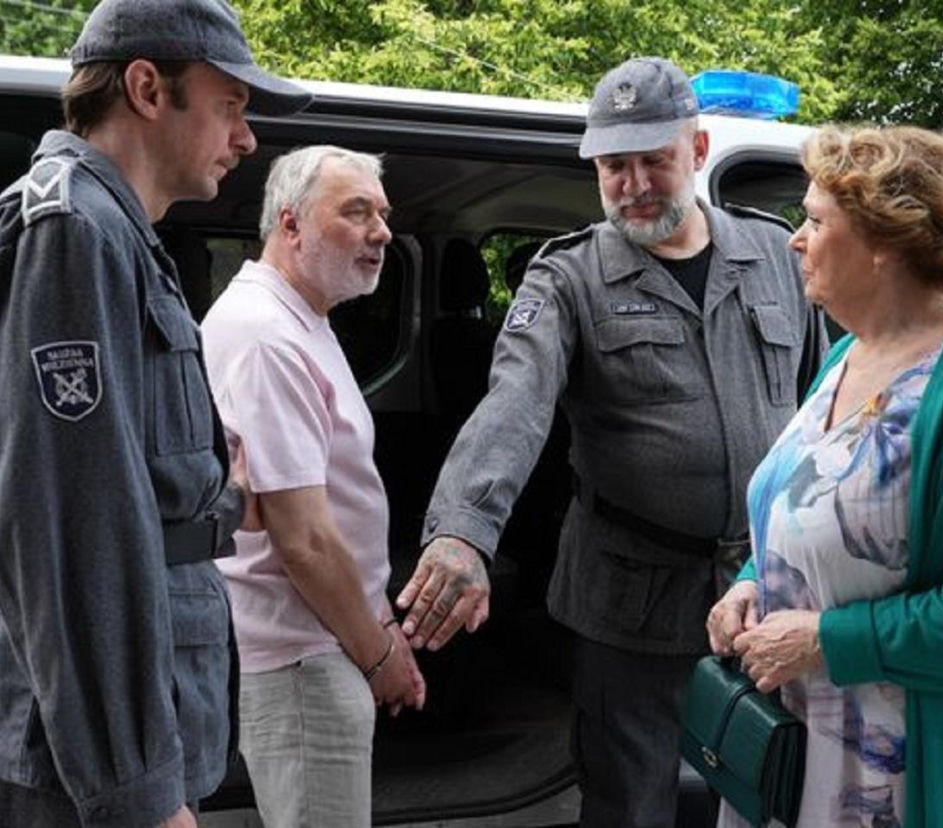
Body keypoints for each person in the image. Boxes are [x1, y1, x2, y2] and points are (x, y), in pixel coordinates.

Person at [397, 56, 826, 827]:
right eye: (612, 166)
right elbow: (514, 406)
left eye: (651, 161)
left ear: (696, 153)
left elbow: (825, 403)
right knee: (633, 806)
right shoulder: (566, 278)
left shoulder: (776, 254)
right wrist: (463, 531)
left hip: (763, 589)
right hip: (631, 603)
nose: (631, 184)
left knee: (768, 792)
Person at [0, 1, 310, 826]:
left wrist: (214, 491)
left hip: (131, 725)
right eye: (232, 105)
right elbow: (73, 528)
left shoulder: (118, 232)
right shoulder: (74, 231)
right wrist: (136, 790)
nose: (246, 140)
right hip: (84, 767)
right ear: (146, 88)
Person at [706, 125, 943, 827]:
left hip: (892, 778)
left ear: (883, 241)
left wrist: (824, 641)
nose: (793, 240)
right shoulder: (845, 356)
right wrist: (749, 585)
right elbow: (807, 508)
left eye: (814, 220)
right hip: (793, 756)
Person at [201, 145, 426, 828]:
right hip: (304, 657)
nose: (382, 232)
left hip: (320, 641)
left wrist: (378, 619)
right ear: (290, 225)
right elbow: (302, 539)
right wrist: (380, 651)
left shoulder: (301, 320)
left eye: (382, 214)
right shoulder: (269, 336)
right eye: (356, 212)